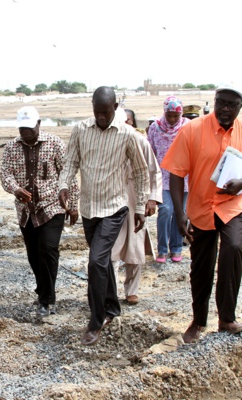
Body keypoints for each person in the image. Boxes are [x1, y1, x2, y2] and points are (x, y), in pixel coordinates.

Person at [161, 83, 242, 343]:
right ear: (214, 101)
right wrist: (179, 212)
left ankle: (226, 318)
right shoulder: (193, 130)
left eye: (232, 105)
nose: (226, 109)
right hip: (200, 207)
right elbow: (176, 172)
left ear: (241, 107)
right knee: (201, 266)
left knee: (232, 248)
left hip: (234, 206)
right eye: (221, 103)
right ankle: (198, 321)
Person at [58, 86, 150, 346]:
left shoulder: (127, 134)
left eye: (106, 112)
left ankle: (96, 320)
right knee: (103, 262)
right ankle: (112, 307)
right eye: (97, 112)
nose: (100, 117)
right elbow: (70, 163)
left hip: (114, 207)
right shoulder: (80, 130)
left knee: (96, 261)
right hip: (89, 208)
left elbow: (142, 173)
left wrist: (141, 207)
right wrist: (63, 186)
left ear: (115, 108)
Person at [0, 106, 79, 316]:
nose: (26, 131)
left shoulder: (54, 144)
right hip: (26, 211)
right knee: (34, 255)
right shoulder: (10, 148)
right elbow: (5, 175)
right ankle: (43, 289)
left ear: (39, 123)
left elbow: (67, 174)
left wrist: (73, 206)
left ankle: (47, 298)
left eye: (30, 127)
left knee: (48, 249)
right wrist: (16, 189)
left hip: (52, 206)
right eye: (22, 128)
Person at [111, 108, 162, 305]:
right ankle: (111, 291)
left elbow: (154, 171)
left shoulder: (140, 140)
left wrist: (152, 199)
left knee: (135, 245)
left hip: (135, 198)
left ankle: (131, 291)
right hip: (112, 199)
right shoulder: (108, 141)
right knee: (111, 247)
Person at [147, 96, 190, 263]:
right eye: (169, 115)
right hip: (162, 177)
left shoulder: (188, 127)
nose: (172, 119)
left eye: (175, 116)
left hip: (183, 178)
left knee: (181, 212)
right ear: (164, 112)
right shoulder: (155, 128)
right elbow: (151, 152)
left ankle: (177, 247)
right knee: (165, 211)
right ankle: (162, 249)